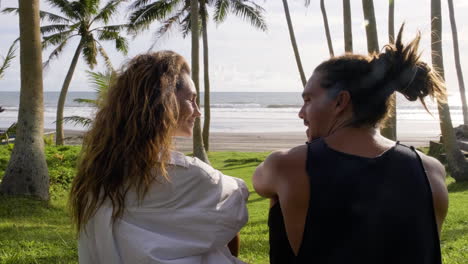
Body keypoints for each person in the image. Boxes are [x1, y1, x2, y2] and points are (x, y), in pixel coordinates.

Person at [252, 27, 449, 264]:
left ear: (340, 101)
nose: (301, 113)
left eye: (308, 100)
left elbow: (259, 184)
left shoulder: (286, 166)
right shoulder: (431, 171)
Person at [70, 51, 249, 264]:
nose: (198, 112)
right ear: (167, 103)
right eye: (192, 100)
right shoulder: (190, 174)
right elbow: (236, 199)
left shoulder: (97, 174)